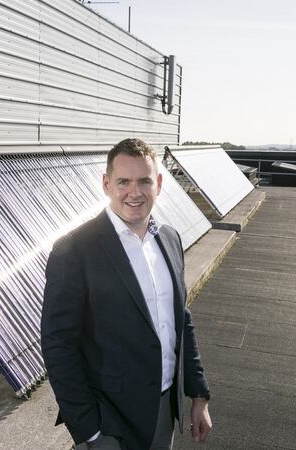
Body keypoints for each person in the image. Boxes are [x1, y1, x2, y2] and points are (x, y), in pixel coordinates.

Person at [41, 138, 212, 450]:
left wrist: (198, 394)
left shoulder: (170, 239)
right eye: (123, 182)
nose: (134, 193)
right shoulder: (74, 250)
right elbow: (58, 345)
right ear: (106, 184)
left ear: (158, 183)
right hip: (110, 422)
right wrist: (90, 432)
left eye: (144, 181)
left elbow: (181, 320)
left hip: (164, 411)